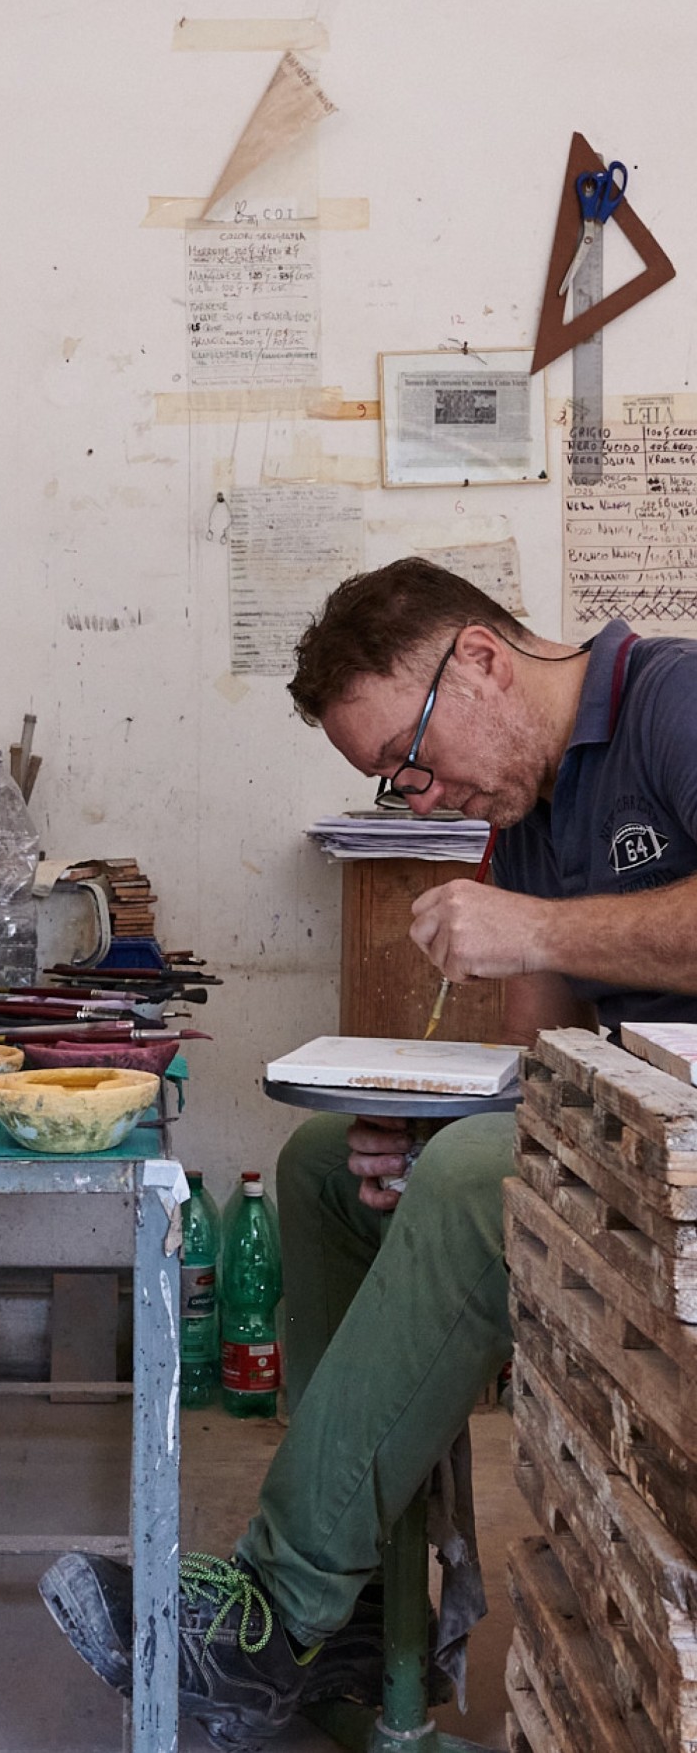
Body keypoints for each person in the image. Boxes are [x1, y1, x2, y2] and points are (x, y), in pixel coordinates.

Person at [41, 558, 697, 1744]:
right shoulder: (528, 813)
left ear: (482, 660)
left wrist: (535, 928)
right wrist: (426, 1117)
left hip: (684, 1150)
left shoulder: (670, 703)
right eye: (392, 781)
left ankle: (273, 1613)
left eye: (411, 755)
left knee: (462, 1183)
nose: (422, 792)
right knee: (328, 1168)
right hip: (632, 1144)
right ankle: (350, 1625)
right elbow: (540, 1071)